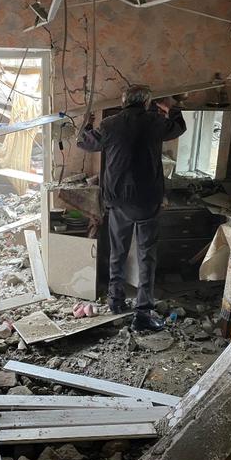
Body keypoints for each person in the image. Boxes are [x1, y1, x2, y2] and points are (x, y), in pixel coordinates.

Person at [77, 85, 187, 331]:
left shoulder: (111, 124)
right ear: (147, 102)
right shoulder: (155, 122)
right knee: (146, 255)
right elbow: (179, 128)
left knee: (118, 252)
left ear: (124, 101)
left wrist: (86, 123)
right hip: (148, 199)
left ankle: (116, 301)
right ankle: (143, 312)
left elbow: (85, 143)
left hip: (118, 200)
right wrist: (173, 109)